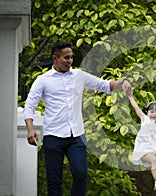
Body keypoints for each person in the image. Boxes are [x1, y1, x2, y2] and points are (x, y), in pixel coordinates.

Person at [23, 42, 132, 196]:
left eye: (72, 57)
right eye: (66, 58)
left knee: (81, 174)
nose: (70, 61)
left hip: (76, 137)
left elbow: (105, 85)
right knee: (54, 181)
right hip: (53, 136)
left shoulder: (79, 76)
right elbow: (30, 106)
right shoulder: (42, 80)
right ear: (55, 58)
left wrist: (123, 84)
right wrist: (30, 129)